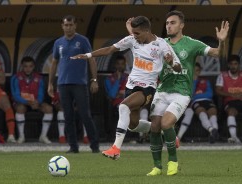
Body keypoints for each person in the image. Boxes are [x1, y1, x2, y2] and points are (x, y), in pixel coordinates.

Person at [125, 10, 229, 176]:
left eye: (172, 23)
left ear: (182, 25)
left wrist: (222, 42)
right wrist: (132, 31)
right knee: (155, 127)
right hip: (162, 90)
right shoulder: (160, 43)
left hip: (181, 93)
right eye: (167, 23)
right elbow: (140, 42)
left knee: (166, 123)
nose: (169, 26)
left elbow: (217, 53)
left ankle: (172, 160)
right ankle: (157, 167)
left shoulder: (191, 44)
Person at [71, 16, 182, 159]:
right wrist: (87, 55)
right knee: (132, 125)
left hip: (147, 88)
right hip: (131, 86)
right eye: (133, 33)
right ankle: (167, 134)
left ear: (147, 31)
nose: (134, 36)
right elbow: (110, 49)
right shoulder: (132, 40)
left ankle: (116, 148)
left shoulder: (161, 45)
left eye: (137, 33)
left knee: (123, 107)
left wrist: (172, 62)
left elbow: (178, 68)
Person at [48, 15, 100, 153]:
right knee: (68, 116)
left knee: (85, 114)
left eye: (71, 25)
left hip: (79, 83)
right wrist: (50, 83)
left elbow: (91, 60)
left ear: (75, 26)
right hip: (63, 83)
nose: (68, 27)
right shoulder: (58, 42)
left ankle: (94, 146)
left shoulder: (82, 41)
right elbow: (54, 63)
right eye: (66, 25)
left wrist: (94, 80)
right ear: (62, 26)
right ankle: (73, 146)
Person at [11, 56, 53, 144]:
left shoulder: (39, 78)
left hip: (35, 102)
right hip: (22, 102)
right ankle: (21, 136)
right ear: (22, 66)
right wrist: (27, 102)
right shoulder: (16, 77)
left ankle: (43, 136)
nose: (28, 69)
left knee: (48, 109)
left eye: (30, 66)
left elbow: (41, 93)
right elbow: (16, 95)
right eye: (25, 66)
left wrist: (38, 102)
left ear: (33, 67)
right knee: (20, 108)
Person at [177, 63, 219, 143]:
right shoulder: (187, 82)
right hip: (194, 102)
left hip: (207, 100)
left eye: (197, 70)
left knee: (212, 111)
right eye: (193, 70)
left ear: (199, 71)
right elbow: (189, 95)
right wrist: (194, 82)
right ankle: (212, 130)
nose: (195, 72)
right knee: (200, 110)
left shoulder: (205, 81)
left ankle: (214, 133)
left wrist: (196, 95)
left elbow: (209, 94)